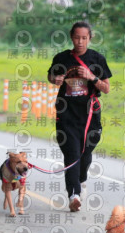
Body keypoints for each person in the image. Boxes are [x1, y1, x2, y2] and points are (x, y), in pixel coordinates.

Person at [47, 22, 111, 212]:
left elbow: (106, 88)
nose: (80, 41)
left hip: (90, 115)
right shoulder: (62, 58)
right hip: (66, 114)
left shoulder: (96, 58)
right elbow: (51, 76)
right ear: (71, 37)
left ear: (90, 38)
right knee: (72, 153)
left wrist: (92, 77)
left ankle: (81, 179)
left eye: (84, 38)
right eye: (77, 37)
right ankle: (73, 194)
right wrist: (56, 79)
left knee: (85, 154)